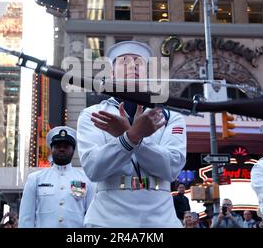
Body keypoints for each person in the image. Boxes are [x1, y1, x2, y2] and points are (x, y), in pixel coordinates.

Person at [77, 41, 187, 228]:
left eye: (138, 62)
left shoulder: (171, 117)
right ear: (111, 72)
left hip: (160, 221)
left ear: (147, 73)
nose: (132, 65)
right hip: (107, 220)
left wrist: (130, 137)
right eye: (124, 61)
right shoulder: (92, 114)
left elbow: (171, 168)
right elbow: (94, 168)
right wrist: (132, 137)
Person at [19, 126, 95, 228]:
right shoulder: (36, 179)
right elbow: (26, 218)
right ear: (51, 149)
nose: (62, 149)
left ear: (73, 150)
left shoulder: (86, 179)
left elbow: (91, 217)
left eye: (66, 146)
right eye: (58, 146)